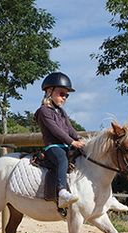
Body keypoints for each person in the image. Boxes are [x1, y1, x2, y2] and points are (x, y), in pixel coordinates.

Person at [34, 72, 85, 209]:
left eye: (66, 95)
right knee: (62, 160)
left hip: (65, 145)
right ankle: (61, 192)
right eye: (62, 93)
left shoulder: (62, 112)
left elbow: (69, 129)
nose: (64, 98)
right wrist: (72, 142)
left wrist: (79, 139)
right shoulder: (44, 111)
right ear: (49, 91)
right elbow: (56, 130)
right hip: (53, 146)